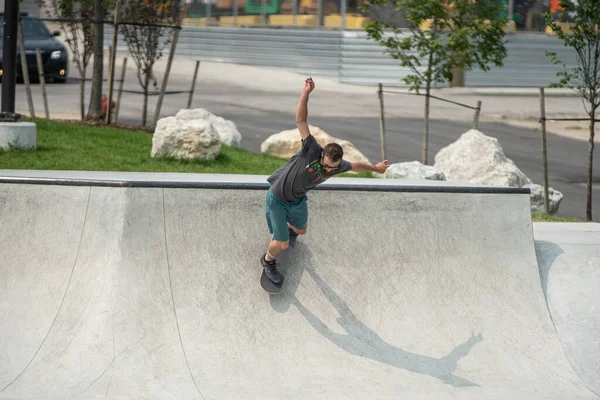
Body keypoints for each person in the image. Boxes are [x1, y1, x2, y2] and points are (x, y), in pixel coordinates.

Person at [261, 77, 390, 284]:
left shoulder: (338, 166)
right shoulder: (310, 150)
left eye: (332, 167)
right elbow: (301, 121)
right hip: (278, 198)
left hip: (298, 200)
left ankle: (285, 229)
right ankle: (268, 260)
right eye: (327, 165)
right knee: (282, 244)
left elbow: (356, 166)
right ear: (322, 155)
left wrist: (376, 168)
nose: (328, 169)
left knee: (301, 230)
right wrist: (306, 93)